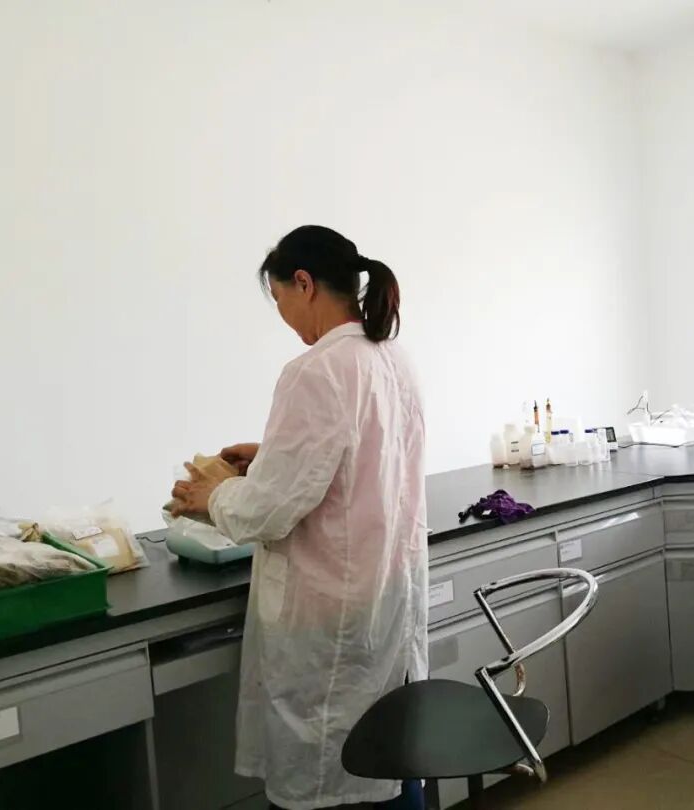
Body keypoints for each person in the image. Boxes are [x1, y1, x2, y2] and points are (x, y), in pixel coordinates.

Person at [170, 225, 428, 810]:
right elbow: (363, 458)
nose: (284, 313)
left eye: (280, 296)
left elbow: (266, 513)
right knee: (389, 754)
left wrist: (213, 493)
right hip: (385, 600)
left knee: (331, 771)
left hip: (331, 617)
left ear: (304, 284)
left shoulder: (315, 370)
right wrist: (271, 456)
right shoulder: (393, 359)